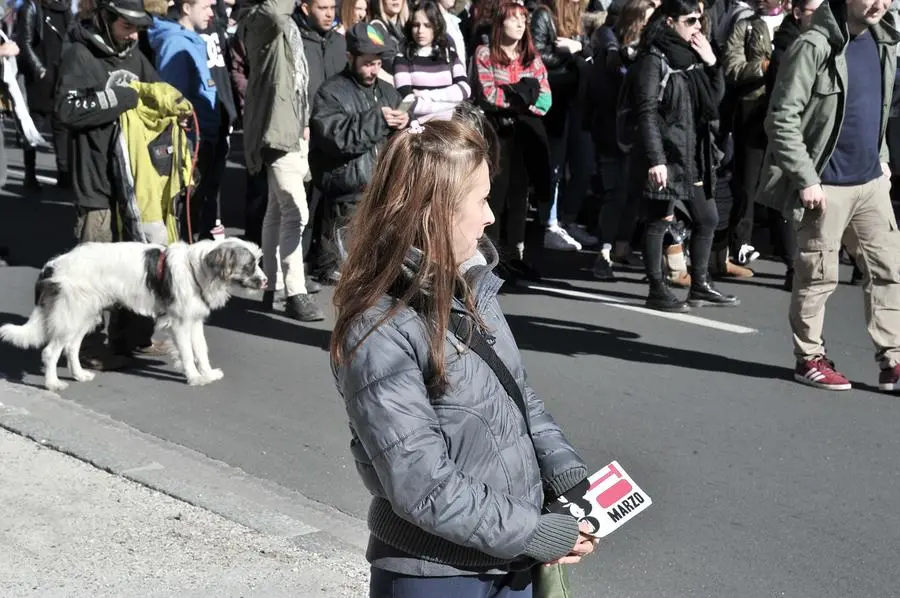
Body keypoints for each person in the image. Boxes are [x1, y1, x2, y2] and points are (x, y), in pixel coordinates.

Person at [330, 106, 596, 597]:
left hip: (509, 557)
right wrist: (533, 532)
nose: (492, 216)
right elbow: (421, 485)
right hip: (435, 574)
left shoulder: (471, 286)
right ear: (435, 211)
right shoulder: (377, 329)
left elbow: (518, 396)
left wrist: (566, 471)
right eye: (482, 200)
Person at [756, 0, 900, 391]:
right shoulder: (814, 45)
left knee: (888, 271)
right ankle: (809, 358)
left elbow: (879, 108)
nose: (881, 3)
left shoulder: (884, 39)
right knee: (818, 277)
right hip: (826, 185)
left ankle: (893, 361)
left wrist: (882, 157)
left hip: (871, 183)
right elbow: (781, 118)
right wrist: (805, 178)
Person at [55, 0, 167, 365]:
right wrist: (119, 98)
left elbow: (153, 91)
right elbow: (67, 110)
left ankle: (132, 337)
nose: (133, 34)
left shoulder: (135, 55)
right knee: (93, 271)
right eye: (126, 26)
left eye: (137, 28)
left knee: (133, 264)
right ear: (105, 19)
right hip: (95, 181)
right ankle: (85, 345)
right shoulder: (79, 54)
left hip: (132, 182)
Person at [627, 0, 738, 311]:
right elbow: (647, 112)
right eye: (690, 21)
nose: (698, 27)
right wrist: (656, 159)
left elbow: (714, 102)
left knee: (708, 217)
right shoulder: (654, 59)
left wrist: (712, 62)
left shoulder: (691, 57)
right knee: (659, 219)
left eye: (699, 20)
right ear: (669, 21)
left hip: (693, 151)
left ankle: (700, 284)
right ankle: (656, 289)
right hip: (667, 151)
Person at [241, 0, 325, 321]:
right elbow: (277, 11)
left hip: (292, 130)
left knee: (276, 210)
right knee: (296, 211)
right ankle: (295, 292)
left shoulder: (285, 26)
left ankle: (271, 285)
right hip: (275, 134)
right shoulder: (260, 20)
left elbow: (293, 82)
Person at [308, 22, 405, 284]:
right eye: (367, 63)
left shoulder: (387, 92)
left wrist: (403, 126)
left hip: (384, 193)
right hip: (347, 196)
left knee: (379, 277)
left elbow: (397, 142)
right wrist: (379, 121)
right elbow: (336, 139)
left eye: (377, 63)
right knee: (347, 278)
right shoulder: (331, 93)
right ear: (350, 57)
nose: (374, 69)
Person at [474, 0, 553, 282]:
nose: (521, 24)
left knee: (521, 194)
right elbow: (488, 96)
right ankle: (490, 259)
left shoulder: (531, 57)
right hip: (498, 134)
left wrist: (514, 96)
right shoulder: (485, 53)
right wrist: (523, 94)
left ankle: (515, 256)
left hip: (526, 134)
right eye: (514, 19)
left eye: (524, 19)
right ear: (500, 23)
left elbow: (545, 101)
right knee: (495, 192)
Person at [584, 0, 656, 279]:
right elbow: (602, 92)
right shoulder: (610, 49)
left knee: (634, 192)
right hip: (612, 131)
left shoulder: (646, 50)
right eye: (646, 19)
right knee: (616, 192)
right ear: (635, 20)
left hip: (637, 131)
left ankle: (622, 248)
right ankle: (604, 251)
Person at [15, 0, 73, 191]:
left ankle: (64, 174)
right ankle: (29, 176)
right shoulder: (31, 7)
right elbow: (24, 42)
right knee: (34, 125)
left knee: (62, 125)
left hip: (62, 74)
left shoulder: (65, 8)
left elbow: (71, 38)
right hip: (40, 77)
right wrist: (40, 71)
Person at [393, 0, 470, 120]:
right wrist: (449, 104)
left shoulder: (449, 54)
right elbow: (408, 103)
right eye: (416, 25)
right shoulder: (402, 58)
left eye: (427, 25)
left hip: (450, 127)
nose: (420, 31)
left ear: (436, 26)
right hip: (419, 130)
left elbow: (464, 90)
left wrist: (425, 94)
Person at [295, 0, 347, 100]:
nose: (330, 14)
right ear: (306, 9)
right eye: (322, 8)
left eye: (332, 8)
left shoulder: (340, 42)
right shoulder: (294, 43)